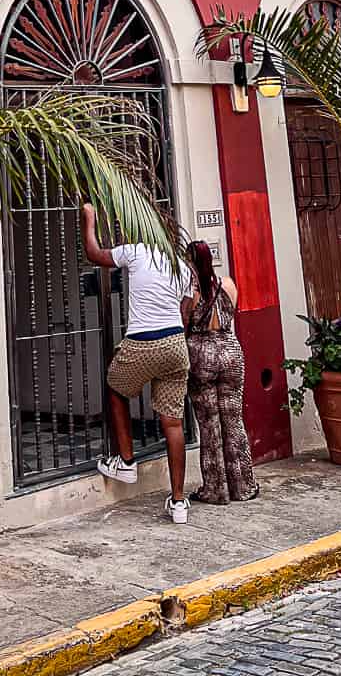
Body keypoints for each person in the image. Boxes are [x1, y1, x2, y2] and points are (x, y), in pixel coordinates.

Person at [80, 202, 193, 524]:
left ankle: (126, 462)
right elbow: (185, 314)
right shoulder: (182, 267)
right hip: (175, 344)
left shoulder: (137, 251)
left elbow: (95, 255)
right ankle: (179, 501)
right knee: (173, 423)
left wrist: (89, 219)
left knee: (116, 389)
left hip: (144, 340)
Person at [181, 240, 258, 505]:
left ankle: (216, 489)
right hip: (229, 349)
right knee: (234, 421)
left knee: (210, 425)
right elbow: (232, 312)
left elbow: (185, 324)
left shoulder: (192, 292)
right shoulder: (228, 284)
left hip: (201, 353)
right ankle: (244, 485)